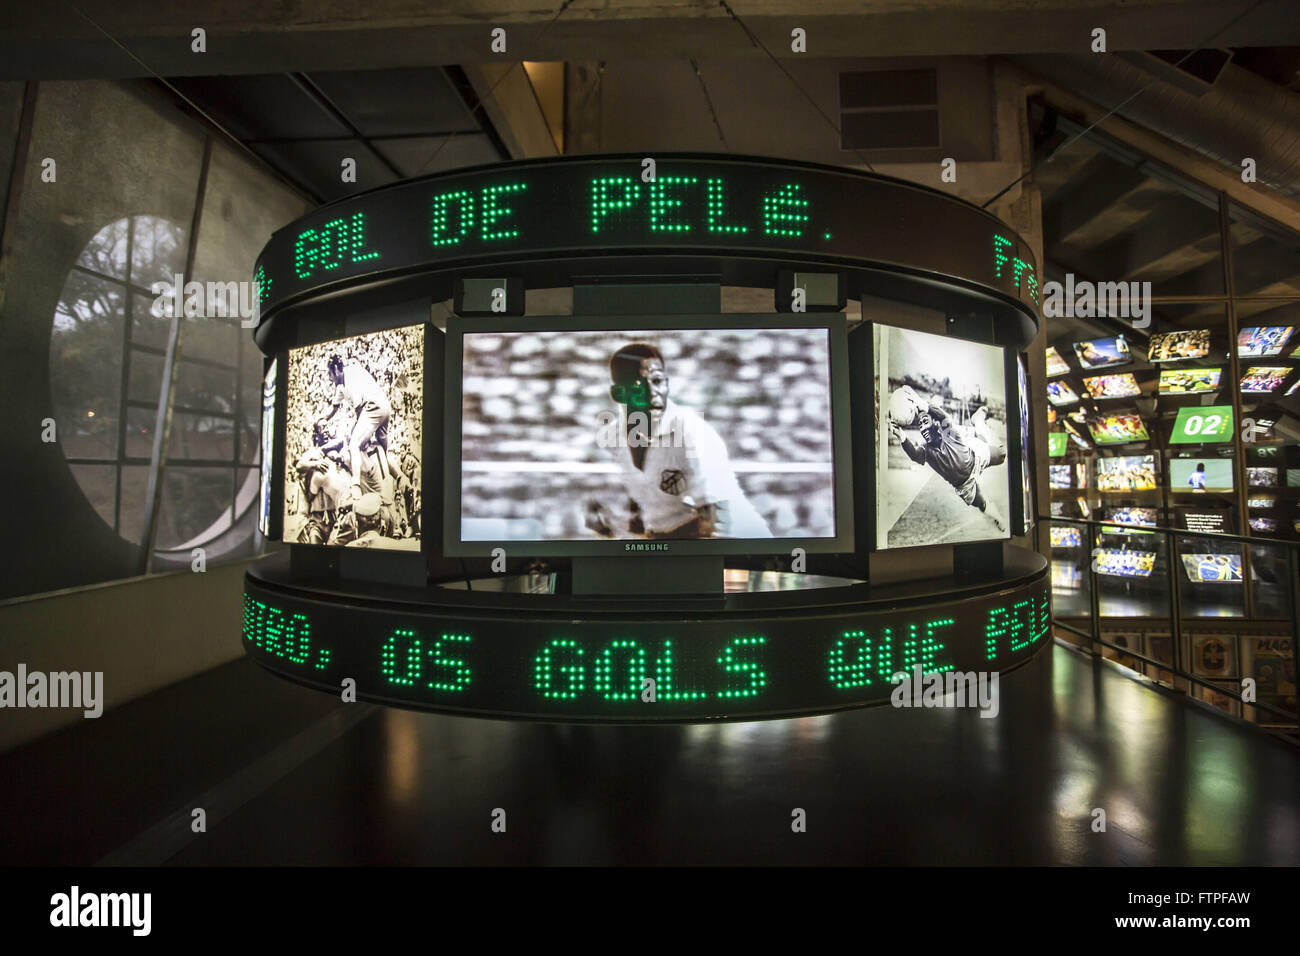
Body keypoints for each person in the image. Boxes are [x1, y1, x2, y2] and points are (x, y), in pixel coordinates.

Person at [585, 343, 772, 539]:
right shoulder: (613, 437)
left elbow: (719, 524)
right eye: (639, 385)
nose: (652, 393)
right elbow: (643, 504)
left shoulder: (691, 432)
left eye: (657, 381)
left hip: (737, 547)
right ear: (618, 394)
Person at [888, 384, 1008, 533]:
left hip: (975, 458)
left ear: (935, 424)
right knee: (981, 503)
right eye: (920, 425)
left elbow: (942, 415)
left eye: (926, 423)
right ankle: (997, 517)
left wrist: (923, 404)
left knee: (1002, 454)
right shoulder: (926, 450)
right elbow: (914, 455)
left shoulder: (947, 431)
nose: (923, 429)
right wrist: (902, 437)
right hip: (964, 485)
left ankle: (978, 422)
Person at [320, 354, 402, 499]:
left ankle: (356, 485)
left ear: (337, 370)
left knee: (354, 446)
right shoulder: (341, 386)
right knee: (383, 450)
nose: (329, 378)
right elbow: (334, 408)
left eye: (330, 374)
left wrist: (357, 434)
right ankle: (402, 479)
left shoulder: (351, 375)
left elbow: (360, 410)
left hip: (373, 406)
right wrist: (321, 419)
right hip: (383, 407)